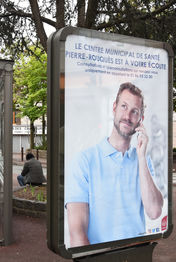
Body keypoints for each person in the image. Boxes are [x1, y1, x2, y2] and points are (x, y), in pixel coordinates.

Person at [65, 82, 164, 247]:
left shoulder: (143, 161)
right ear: (114, 107)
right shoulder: (84, 161)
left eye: (135, 111)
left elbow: (154, 211)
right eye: (124, 106)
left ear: (141, 119)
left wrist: (141, 157)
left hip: (137, 254)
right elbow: (77, 233)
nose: (127, 116)